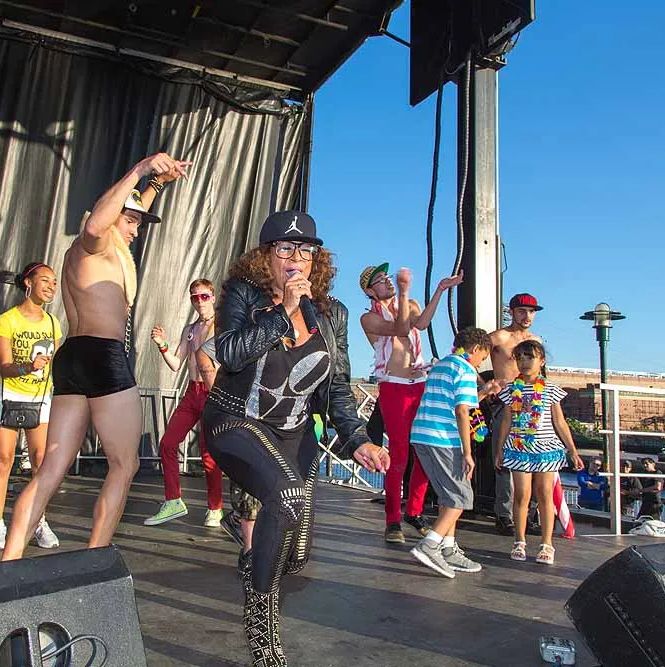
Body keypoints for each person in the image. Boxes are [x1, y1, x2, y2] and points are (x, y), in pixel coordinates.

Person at [202, 210, 389, 667]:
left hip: (295, 432)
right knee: (284, 497)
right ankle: (262, 637)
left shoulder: (332, 313)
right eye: (285, 249)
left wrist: (357, 440)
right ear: (266, 256)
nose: (296, 258)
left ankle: (255, 561)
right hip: (236, 420)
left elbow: (336, 386)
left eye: (306, 250)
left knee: (295, 554)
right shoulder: (243, 293)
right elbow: (230, 353)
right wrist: (283, 310)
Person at [1, 152, 190, 560]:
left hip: (74, 356)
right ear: (112, 215)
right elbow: (98, 223)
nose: (136, 230)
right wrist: (139, 169)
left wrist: (158, 183)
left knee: (52, 468)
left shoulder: (100, 250)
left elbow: (128, 210)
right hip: (102, 355)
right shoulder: (95, 243)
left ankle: (9, 559)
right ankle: (95, 558)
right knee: (124, 465)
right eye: (131, 222)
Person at [359, 262, 462, 543]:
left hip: (419, 384)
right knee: (400, 455)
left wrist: (439, 290)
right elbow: (401, 329)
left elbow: (422, 323)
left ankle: (414, 511)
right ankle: (392, 519)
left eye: (387, 277)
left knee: (426, 450)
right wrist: (403, 293)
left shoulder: (411, 303)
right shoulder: (369, 318)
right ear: (370, 291)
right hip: (394, 385)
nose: (387, 282)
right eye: (380, 280)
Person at [0, 262, 62, 550]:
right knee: (3, 460)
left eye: (54, 282)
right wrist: (28, 366)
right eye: (45, 280)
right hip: (9, 394)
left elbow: (55, 364)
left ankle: (39, 521)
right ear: (28, 283)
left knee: (40, 462)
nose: (51, 287)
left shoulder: (53, 323)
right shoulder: (8, 320)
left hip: (40, 398)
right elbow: (4, 366)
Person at [409, 328, 498, 579]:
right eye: (483, 357)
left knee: (448, 495)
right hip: (444, 439)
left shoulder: (441, 366)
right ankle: (430, 545)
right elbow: (462, 411)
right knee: (460, 496)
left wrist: (484, 392)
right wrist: (467, 452)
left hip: (422, 435)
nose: (481, 363)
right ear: (476, 349)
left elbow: (455, 401)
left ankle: (448, 549)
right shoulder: (466, 369)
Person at [493, 340, 584, 565]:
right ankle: (519, 540)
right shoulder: (511, 389)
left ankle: (547, 543)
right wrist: (500, 449)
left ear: (541, 361)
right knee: (521, 495)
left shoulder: (550, 389)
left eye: (530, 357)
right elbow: (506, 421)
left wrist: (572, 450)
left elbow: (559, 421)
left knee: (544, 494)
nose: (524, 362)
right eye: (520, 358)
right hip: (519, 448)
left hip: (545, 448)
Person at [145, 279, 223, 527]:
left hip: (213, 392)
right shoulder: (190, 329)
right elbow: (176, 363)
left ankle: (215, 507)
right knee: (168, 443)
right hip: (192, 392)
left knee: (209, 453)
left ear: (213, 297)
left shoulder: (223, 325)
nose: (199, 301)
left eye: (204, 296)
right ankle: (173, 500)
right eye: (194, 297)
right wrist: (162, 345)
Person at [487, 293, 542, 535]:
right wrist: (486, 385)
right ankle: (504, 515)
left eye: (531, 311)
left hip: (532, 403)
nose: (527, 316)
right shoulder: (499, 337)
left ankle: (529, 514)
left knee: (533, 458)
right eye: (522, 311)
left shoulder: (535, 340)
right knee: (504, 459)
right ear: (511, 312)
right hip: (505, 402)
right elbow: (466, 354)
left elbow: (541, 373)